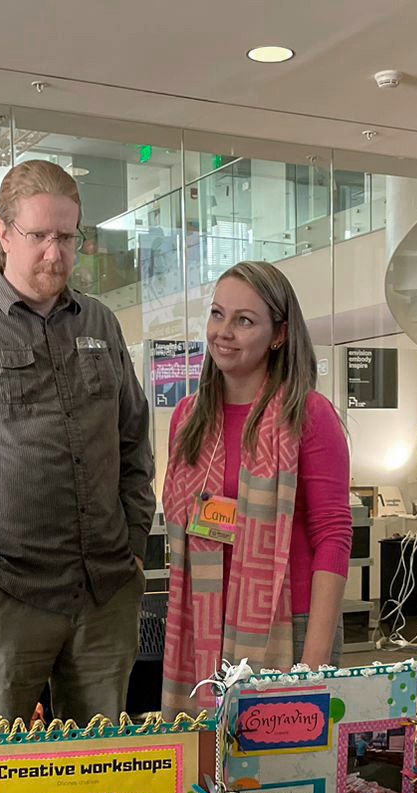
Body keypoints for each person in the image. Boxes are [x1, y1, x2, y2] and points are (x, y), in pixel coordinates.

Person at [0, 160, 154, 727]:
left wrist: (133, 537)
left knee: (96, 770)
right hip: (10, 591)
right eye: (39, 236)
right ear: (2, 234)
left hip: (105, 588)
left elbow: (132, 437)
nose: (55, 252)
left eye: (67, 237)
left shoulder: (100, 321)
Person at [161, 262, 350, 713]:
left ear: (278, 334)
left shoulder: (308, 414)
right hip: (204, 625)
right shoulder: (187, 419)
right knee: (211, 770)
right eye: (217, 314)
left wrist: (315, 662)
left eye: (244, 321)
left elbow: (333, 534)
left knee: (286, 773)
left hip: (293, 624)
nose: (224, 332)